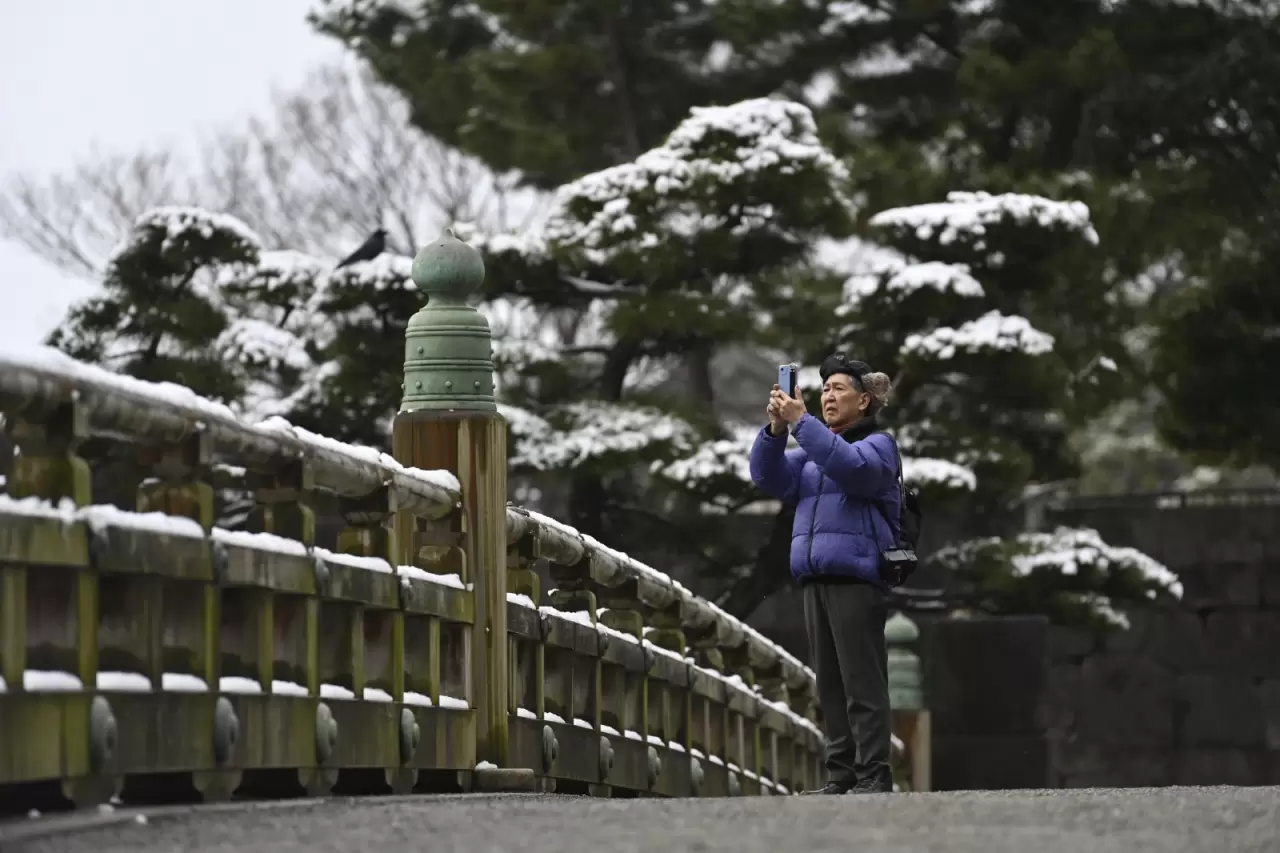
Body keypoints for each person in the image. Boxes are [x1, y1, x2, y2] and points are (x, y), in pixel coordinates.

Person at [748, 352, 899, 795]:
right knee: (830, 684)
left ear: (865, 401)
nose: (827, 397)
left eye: (838, 389)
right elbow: (765, 475)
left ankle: (874, 772)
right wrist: (777, 431)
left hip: (857, 577)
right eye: (824, 389)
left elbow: (853, 470)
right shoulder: (812, 456)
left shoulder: (878, 445)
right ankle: (841, 774)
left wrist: (802, 424)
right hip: (816, 577)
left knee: (862, 682)